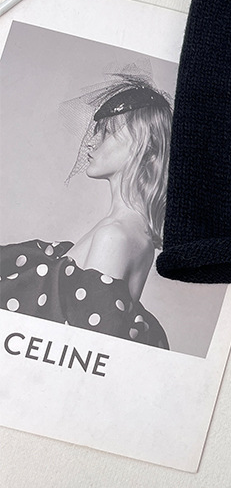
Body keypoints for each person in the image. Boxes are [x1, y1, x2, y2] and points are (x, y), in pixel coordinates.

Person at [0, 64, 172, 350]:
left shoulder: (115, 236)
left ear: (145, 146)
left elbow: (86, 349)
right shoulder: (126, 231)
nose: (91, 142)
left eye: (107, 132)